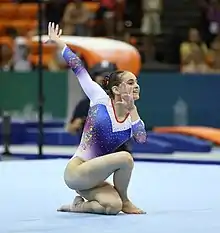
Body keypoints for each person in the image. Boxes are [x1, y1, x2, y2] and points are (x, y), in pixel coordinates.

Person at [47, 22, 147, 215]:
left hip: (94, 178)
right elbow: (79, 69)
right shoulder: (99, 99)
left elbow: (142, 138)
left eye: (137, 82)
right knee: (125, 158)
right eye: (130, 82)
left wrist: (132, 109)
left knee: (111, 207)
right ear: (116, 90)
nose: (136, 86)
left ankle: (77, 206)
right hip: (77, 171)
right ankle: (125, 201)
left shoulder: (131, 118)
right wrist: (60, 43)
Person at [66, 61, 132, 154]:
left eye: (108, 76)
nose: (104, 79)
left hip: (116, 153)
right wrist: (78, 123)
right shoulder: (84, 104)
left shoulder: (122, 102)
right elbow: (70, 129)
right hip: (90, 153)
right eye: (101, 75)